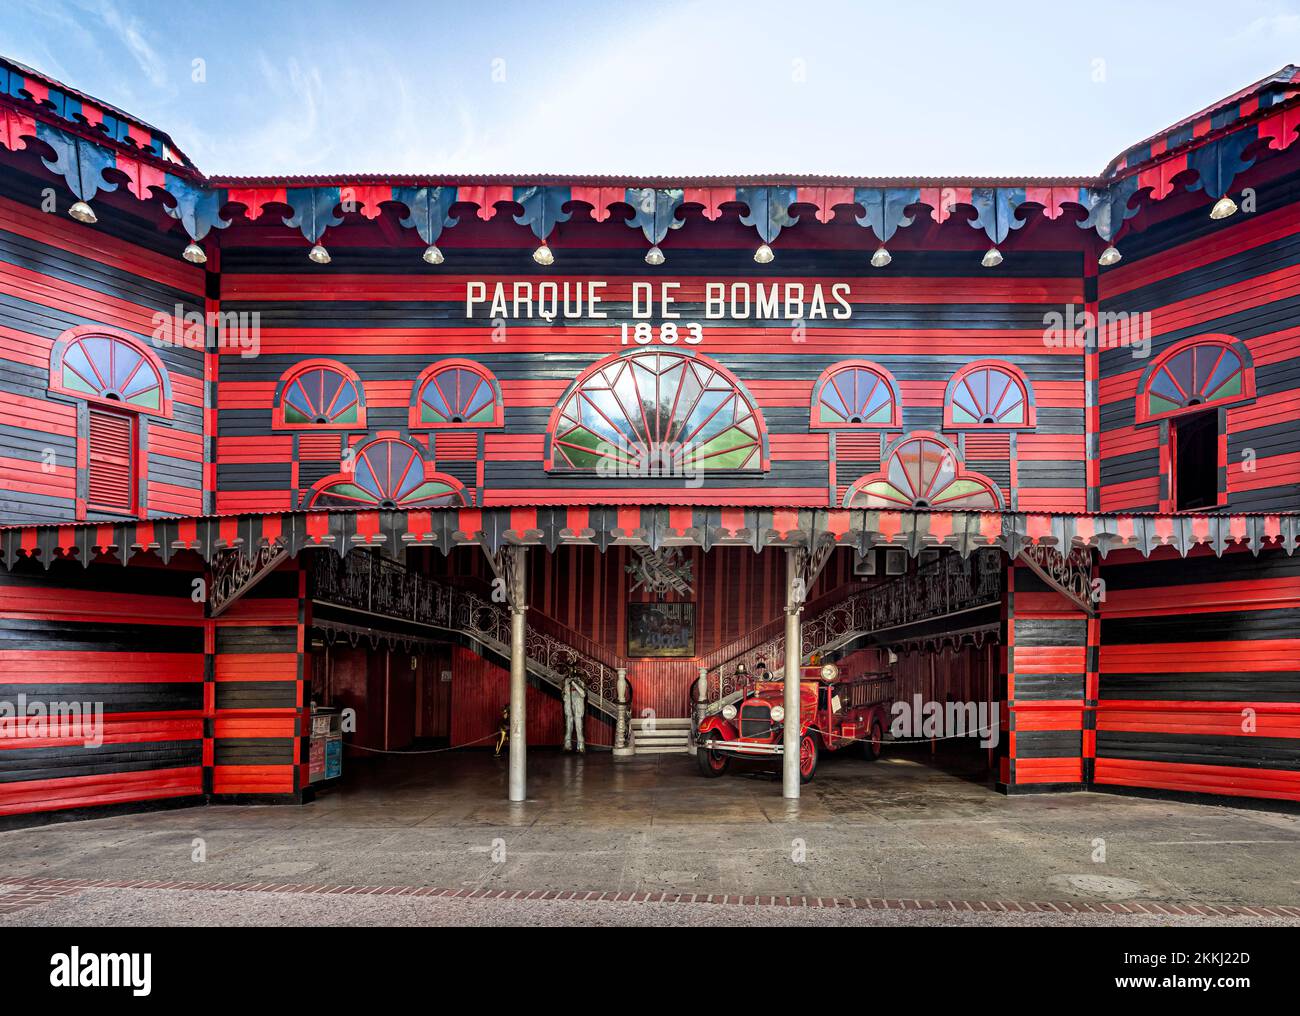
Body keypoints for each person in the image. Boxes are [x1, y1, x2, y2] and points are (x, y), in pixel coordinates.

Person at [562, 665, 587, 753]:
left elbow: (583, 694)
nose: (571, 673)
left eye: (572, 670)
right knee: (568, 727)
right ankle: (567, 745)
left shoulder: (580, 681)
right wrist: (567, 685)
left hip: (578, 706)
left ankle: (580, 746)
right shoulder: (566, 681)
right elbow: (565, 695)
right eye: (569, 670)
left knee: (578, 726)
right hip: (569, 705)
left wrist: (574, 684)